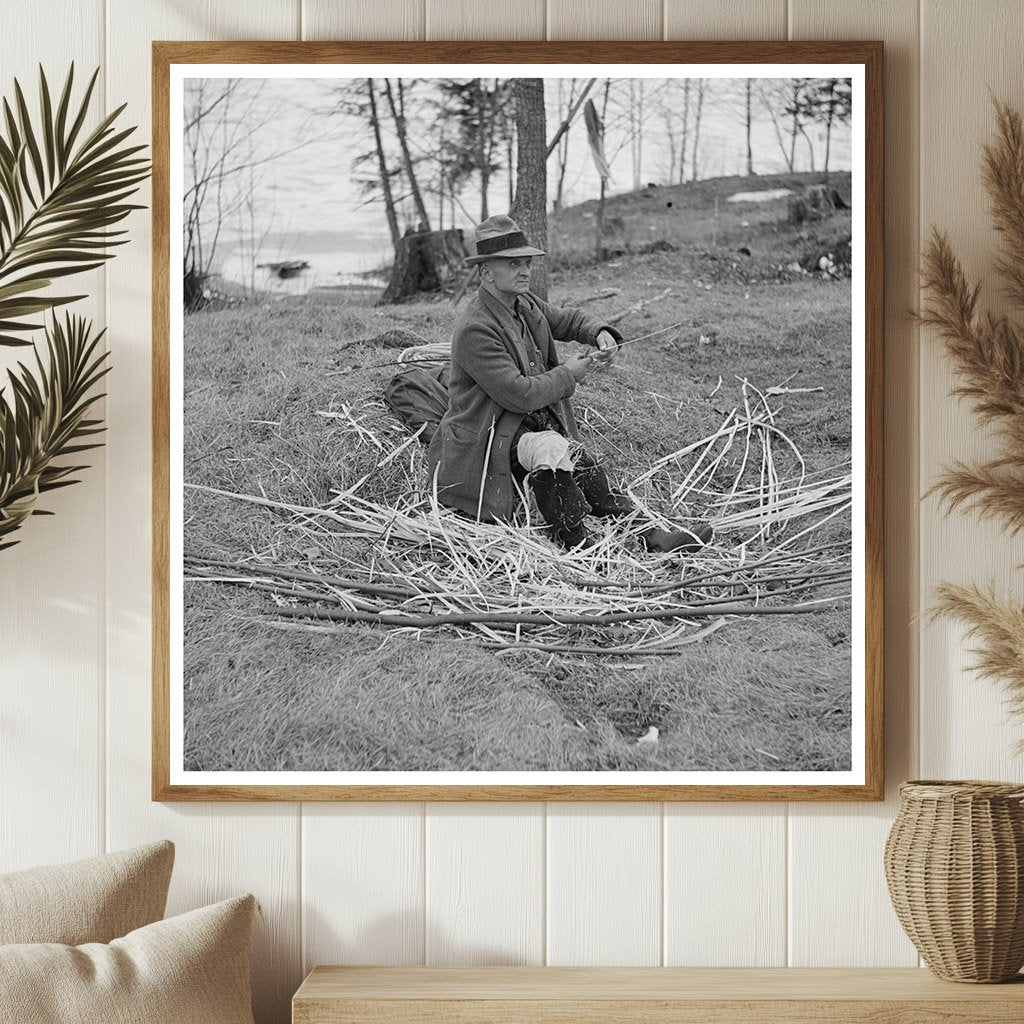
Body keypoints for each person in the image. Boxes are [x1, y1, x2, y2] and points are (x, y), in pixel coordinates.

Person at [426, 214, 713, 553]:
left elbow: (566, 320)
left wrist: (599, 333)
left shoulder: (524, 303)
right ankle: (579, 546)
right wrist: (569, 375)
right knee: (552, 450)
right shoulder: (476, 327)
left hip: (520, 424)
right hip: (487, 437)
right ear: (486, 272)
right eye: (514, 264)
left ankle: (651, 536)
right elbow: (520, 394)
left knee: (585, 464)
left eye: (527, 263)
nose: (525, 271)